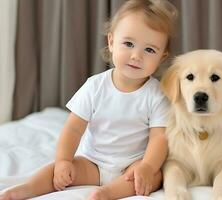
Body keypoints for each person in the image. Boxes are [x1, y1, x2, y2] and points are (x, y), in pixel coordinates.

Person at [0, 0, 178, 200]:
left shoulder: (156, 95)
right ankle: (26, 189)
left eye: (150, 50)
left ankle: (107, 193)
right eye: (128, 44)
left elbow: (159, 138)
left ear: (162, 57)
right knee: (58, 169)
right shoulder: (95, 86)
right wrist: (63, 160)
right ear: (111, 42)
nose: (136, 56)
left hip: (132, 165)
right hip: (93, 162)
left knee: (155, 176)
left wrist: (147, 166)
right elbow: (73, 128)